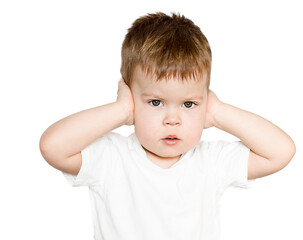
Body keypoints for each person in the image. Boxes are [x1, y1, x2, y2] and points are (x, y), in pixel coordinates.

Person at [39, 12, 295, 240]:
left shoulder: (210, 162)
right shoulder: (110, 158)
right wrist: (121, 110)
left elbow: (281, 151)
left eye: (188, 104)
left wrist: (217, 112)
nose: (172, 119)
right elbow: (53, 147)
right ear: (131, 97)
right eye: (156, 101)